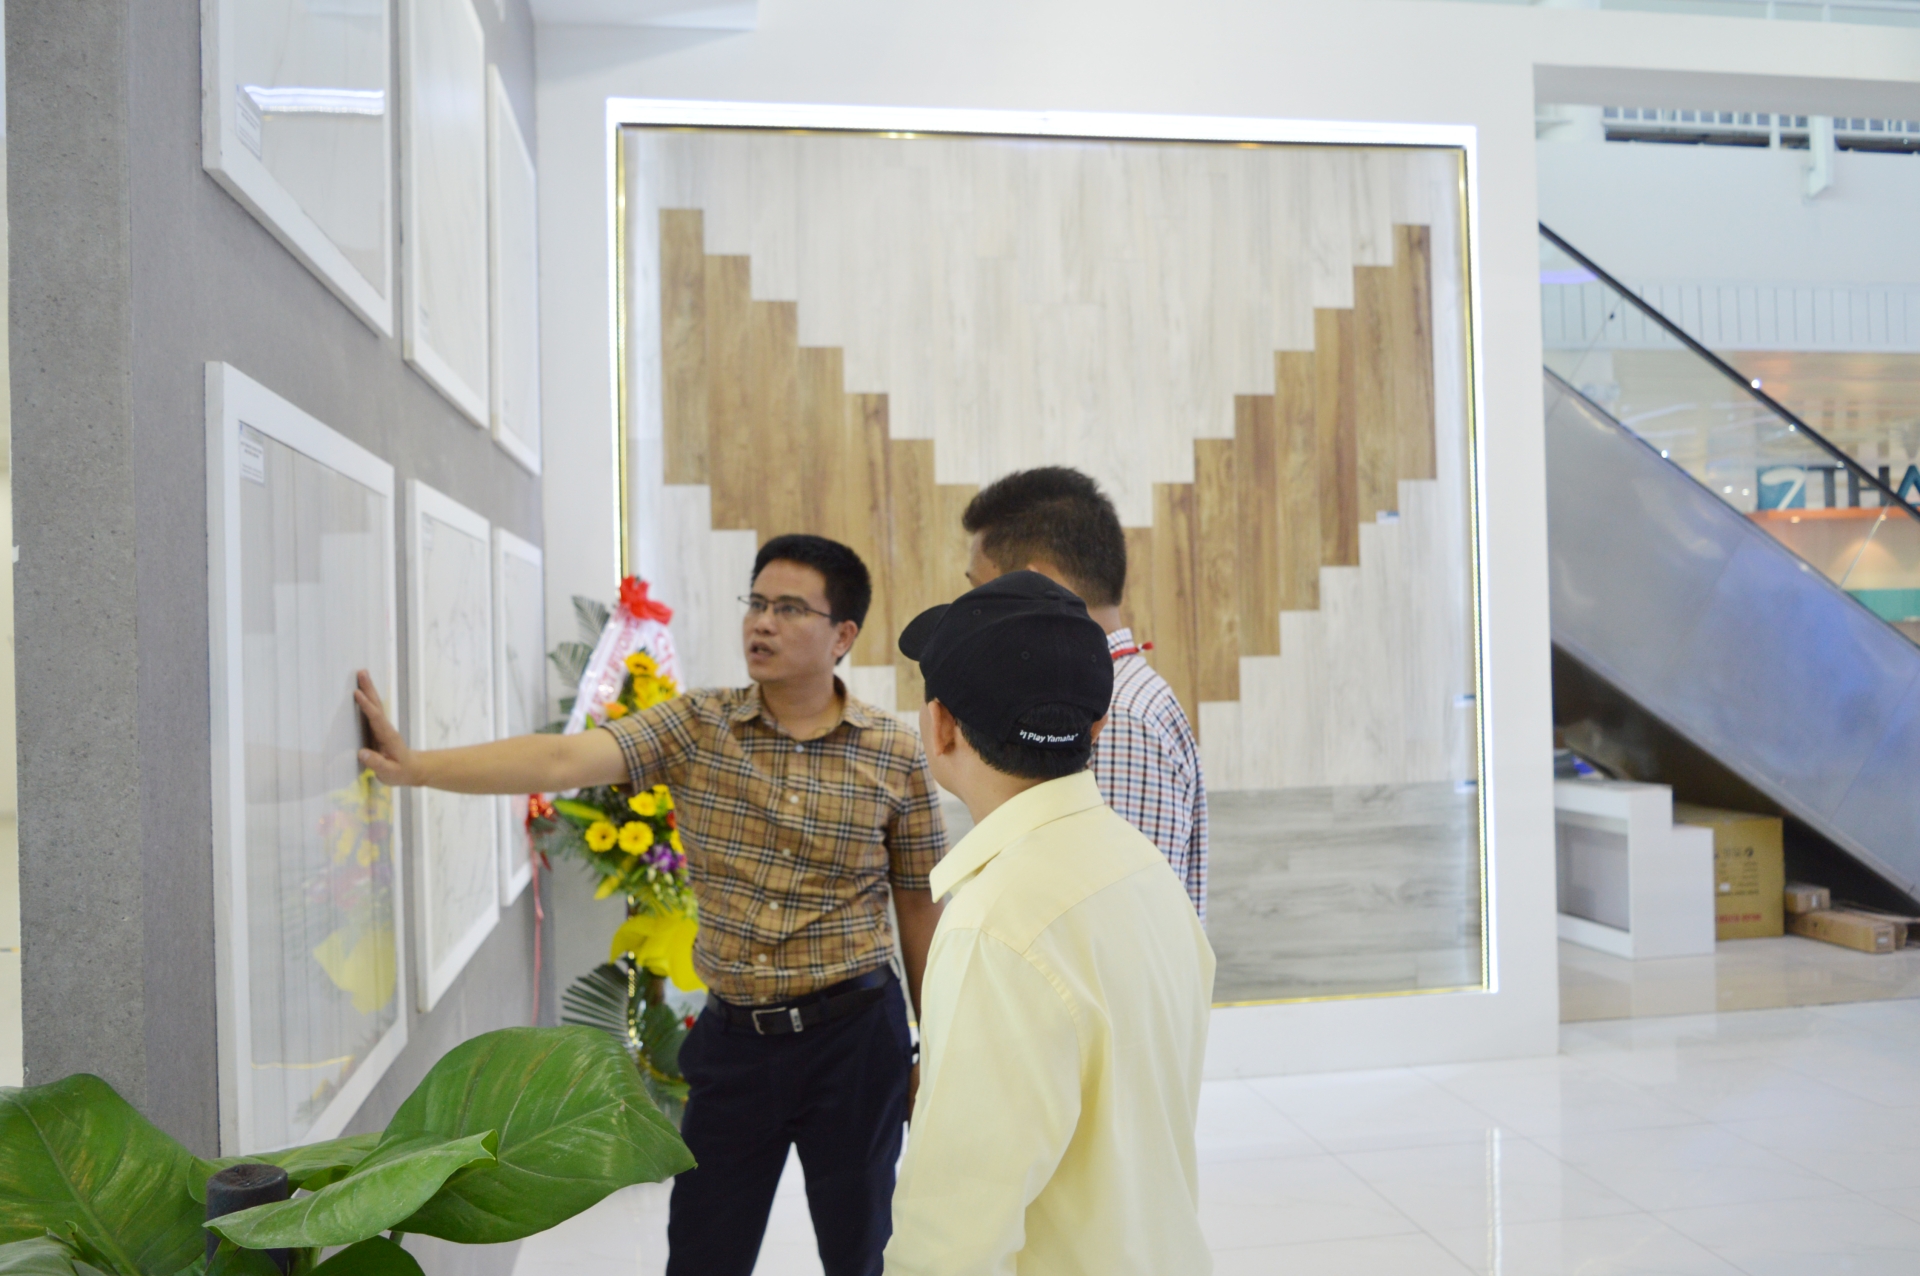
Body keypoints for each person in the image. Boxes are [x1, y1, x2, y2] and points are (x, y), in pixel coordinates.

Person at [353, 534, 946, 1276]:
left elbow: (919, 906)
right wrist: (415, 768)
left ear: (843, 635)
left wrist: (934, 1049)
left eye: (790, 608)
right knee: (703, 1252)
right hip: (737, 1043)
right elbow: (562, 758)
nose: (762, 622)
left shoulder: (894, 752)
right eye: (757, 603)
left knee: (861, 1252)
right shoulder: (697, 725)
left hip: (855, 1039)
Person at [883, 570, 1215, 1275]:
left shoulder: (993, 927)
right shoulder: (1143, 869)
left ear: (940, 726)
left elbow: (952, 1236)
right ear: (1097, 726)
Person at [961, 467, 1209, 920]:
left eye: (981, 592)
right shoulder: (1114, 699)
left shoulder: (1118, 717)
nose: (974, 615)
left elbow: (1125, 924)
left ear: (1039, 586)